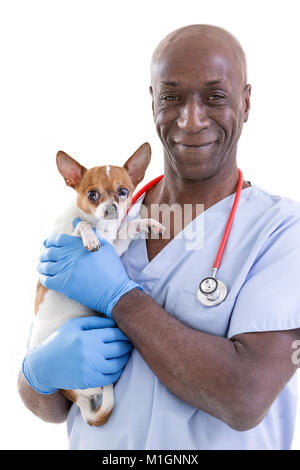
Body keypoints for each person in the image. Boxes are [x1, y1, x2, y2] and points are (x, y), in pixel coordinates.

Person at [18, 24, 300, 450]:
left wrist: (120, 298)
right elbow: (49, 406)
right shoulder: (101, 222)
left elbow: (245, 399)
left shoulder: (281, 232)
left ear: (245, 102)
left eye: (215, 96)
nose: (191, 119)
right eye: (171, 96)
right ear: (152, 102)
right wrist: (38, 373)